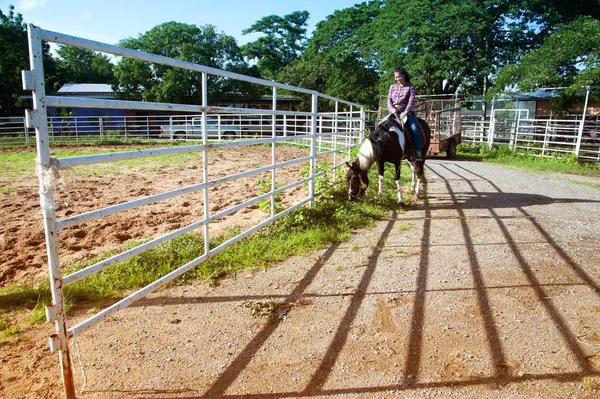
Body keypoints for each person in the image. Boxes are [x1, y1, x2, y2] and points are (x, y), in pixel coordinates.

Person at [387, 66, 422, 161]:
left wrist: (405, 112)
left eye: (399, 76)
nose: (398, 79)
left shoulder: (410, 87)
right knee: (381, 125)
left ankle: (418, 151)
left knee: (414, 128)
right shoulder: (392, 87)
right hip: (394, 111)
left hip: (406, 111)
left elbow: (411, 102)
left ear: (404, 75)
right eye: (396, 77)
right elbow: (389, 100)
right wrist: (392, 109)